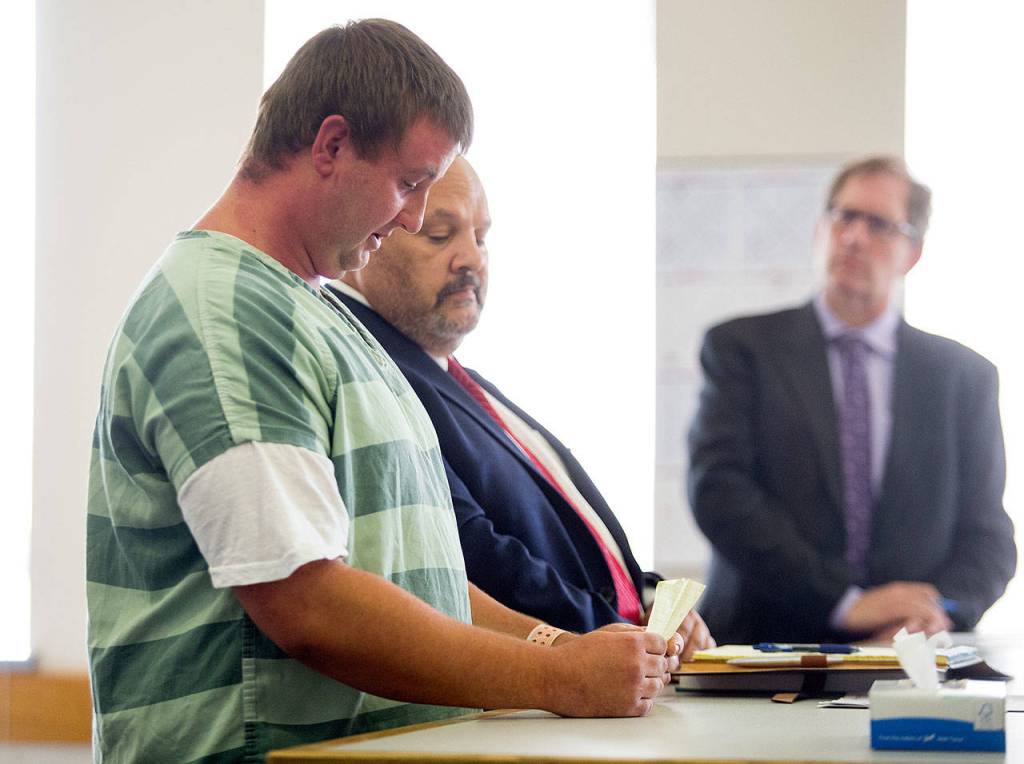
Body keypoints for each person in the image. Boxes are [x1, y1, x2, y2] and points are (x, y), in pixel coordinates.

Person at [87, 21, 681, 763]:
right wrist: (556, 675)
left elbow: (411, 577)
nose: (409, 216)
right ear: (331, 146)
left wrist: (566, 645)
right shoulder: (227, 308)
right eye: (409, 184)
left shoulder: (320, 311)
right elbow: (308, 604)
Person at [329, 157, 713, 652]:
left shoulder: (459, 376)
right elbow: (470, 551)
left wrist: (651, 599)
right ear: (371, 239)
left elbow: (563, 532)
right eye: (440, 235)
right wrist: (614, 630)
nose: (471, 258)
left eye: (481, 237)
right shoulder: (379, 369)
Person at [687, 155, 1016, 645]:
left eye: (879, 224)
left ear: (913, 252)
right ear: (822, 228)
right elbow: (720, 493)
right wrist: (847, 603)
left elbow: (988, 539)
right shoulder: (742, 348)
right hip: (756, 647)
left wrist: (933, 612)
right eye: (844, 216)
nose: (855, 237)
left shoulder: (964, 377)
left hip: (904, 657)